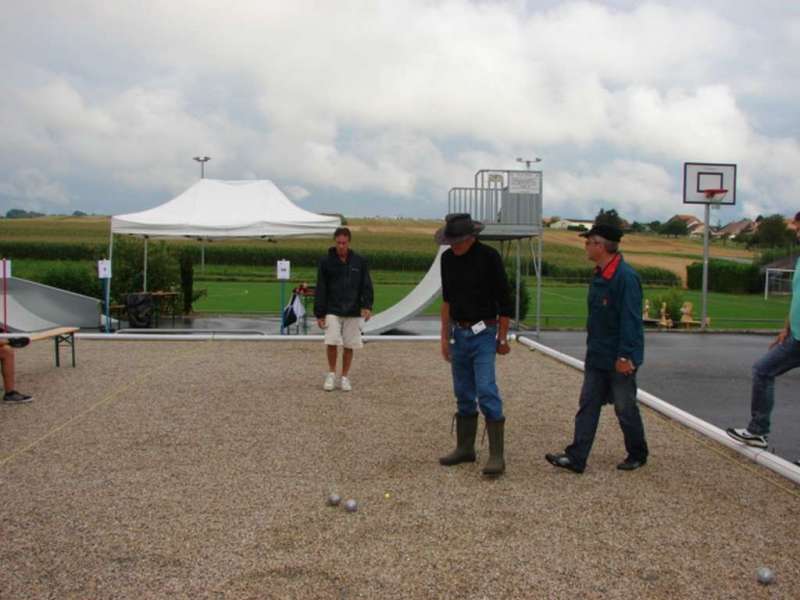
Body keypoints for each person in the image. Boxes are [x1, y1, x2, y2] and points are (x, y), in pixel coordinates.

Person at [546, 223, 648, 474]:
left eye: (588, 242)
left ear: (600, 246)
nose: (585, 246)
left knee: (625, 408)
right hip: (598, 354)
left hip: (619, 356)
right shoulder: (599, 274)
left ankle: (638, 453)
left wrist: (625, 356)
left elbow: (631, 321)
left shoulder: (626, 278)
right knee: (588, 404)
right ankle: (576, 457)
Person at [436, 213, 512, 477]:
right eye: (450, 241)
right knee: (463, 391)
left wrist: (502, 338)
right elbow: (447, 301)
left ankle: (496, 456)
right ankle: (465, 448)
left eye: (457, 241)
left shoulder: (490, 258)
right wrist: (444, 336)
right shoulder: (447, 260)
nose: (453, 246)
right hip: (460, 332)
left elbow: (505, 301)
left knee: (486, 388)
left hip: (485, 332)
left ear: (470, 238)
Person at [727, 211, 800, 462]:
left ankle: (758, 430)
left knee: (762, 370)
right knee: (762, 370)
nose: (797, 234)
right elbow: (797, 298)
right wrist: (786, 328)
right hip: (796, 338)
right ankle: (758, 431)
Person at [314, 226, 374, 392]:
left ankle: (345, 377)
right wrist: (320, 313)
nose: (341, 246)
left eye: (344, 243)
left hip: (353, 309)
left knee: (349, 344)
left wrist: (367, 306)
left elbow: (366, 285)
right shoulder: (326, 262)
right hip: (332, 308)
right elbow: (321, 287)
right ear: (335, 242)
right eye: (338, 243)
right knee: (332, 341)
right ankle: (331, 374)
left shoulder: (359, 261)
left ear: (349, 242)